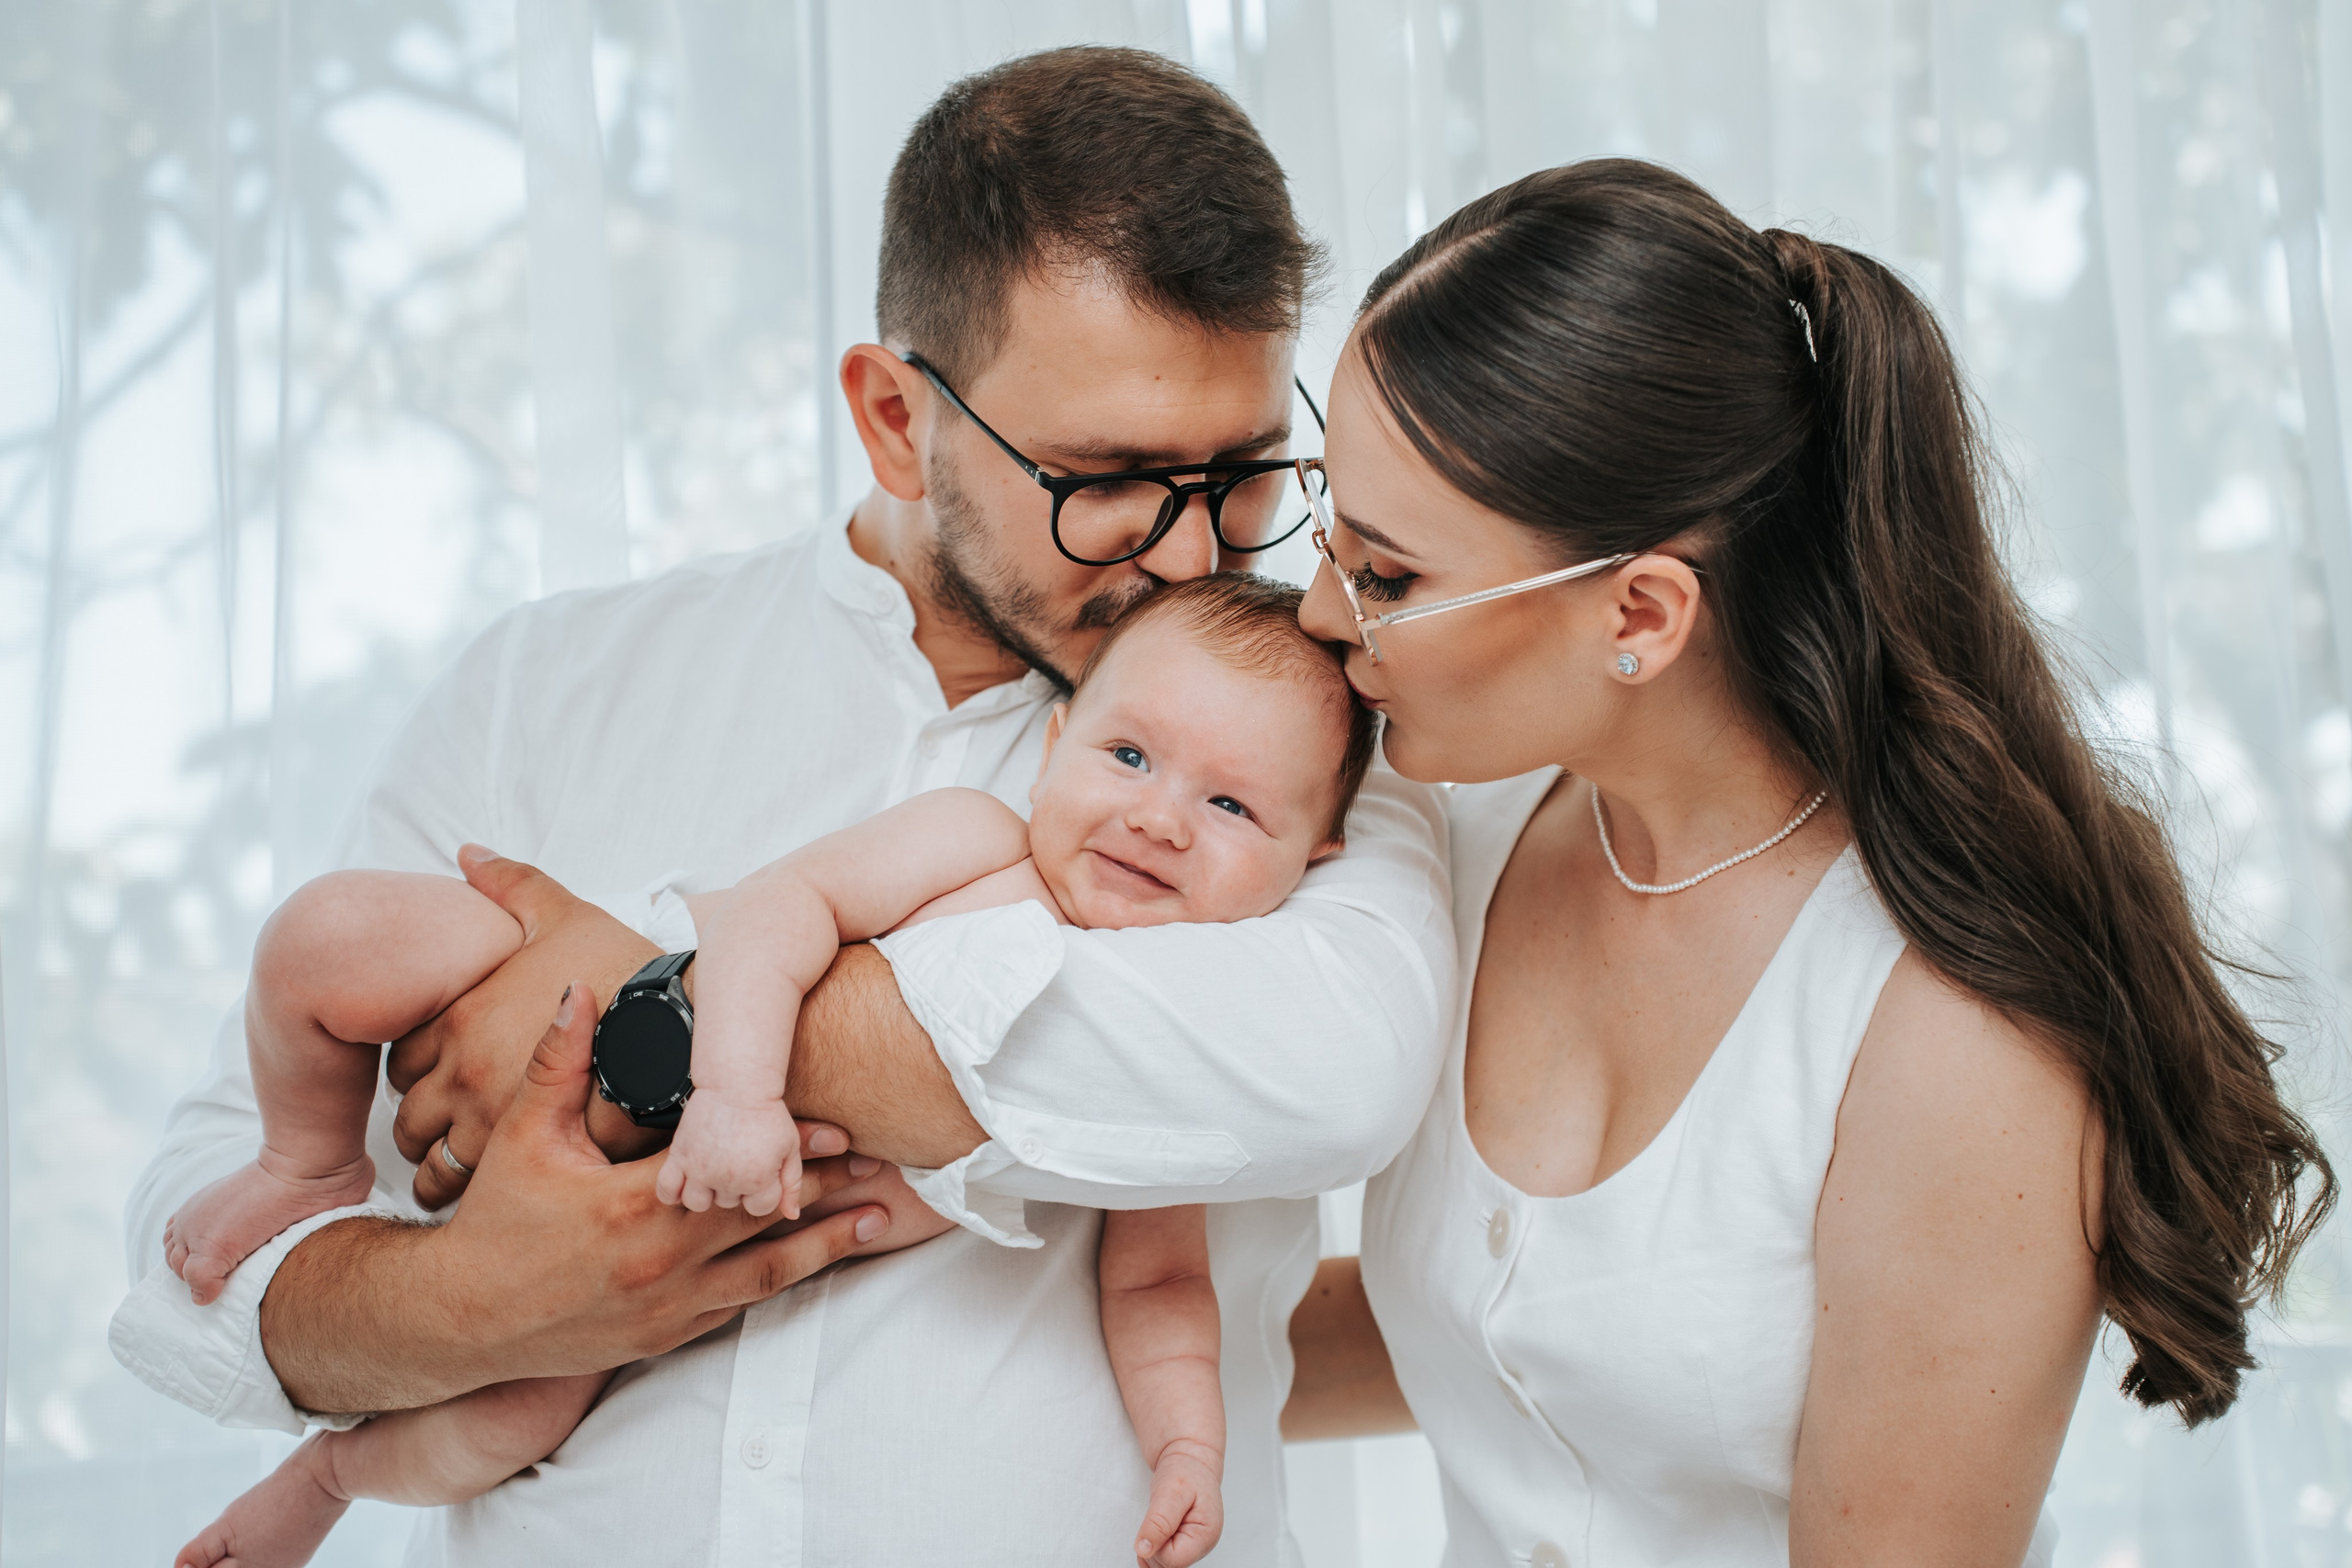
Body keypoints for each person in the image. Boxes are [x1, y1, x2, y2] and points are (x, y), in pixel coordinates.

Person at [113, 48, 1453, 1567]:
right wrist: (483, 1301)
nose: (1195, 557)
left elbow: (1335, 1068)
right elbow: (187, 1288)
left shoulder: (1327, 723)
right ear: (894, 416)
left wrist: (634, 1017)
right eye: (1111, 480)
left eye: (1245, 474)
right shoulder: (547, 685)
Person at [1279, 160, 2335, 1566]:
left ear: (1641, 615)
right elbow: (1496, 1346)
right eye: (1328, 529)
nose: (1314, 611)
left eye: (1387, 576)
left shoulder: (1955, 1036)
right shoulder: (1458, 838)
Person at [174, 575, 1372, 1568]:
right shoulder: (979, 843)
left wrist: (1188, 1454)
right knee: (330, 936)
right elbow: (778, 910)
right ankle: (302, 1157)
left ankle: (324, 1478)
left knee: (516, 1415)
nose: (1160, 818)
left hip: (648, 1252)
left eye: (1228, 805)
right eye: (1127, 755)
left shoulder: (1180, 1054)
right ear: (1057, 746)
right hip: (594, 1016)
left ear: (1312, 862)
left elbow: (1157, 1293)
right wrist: (739, 1089)